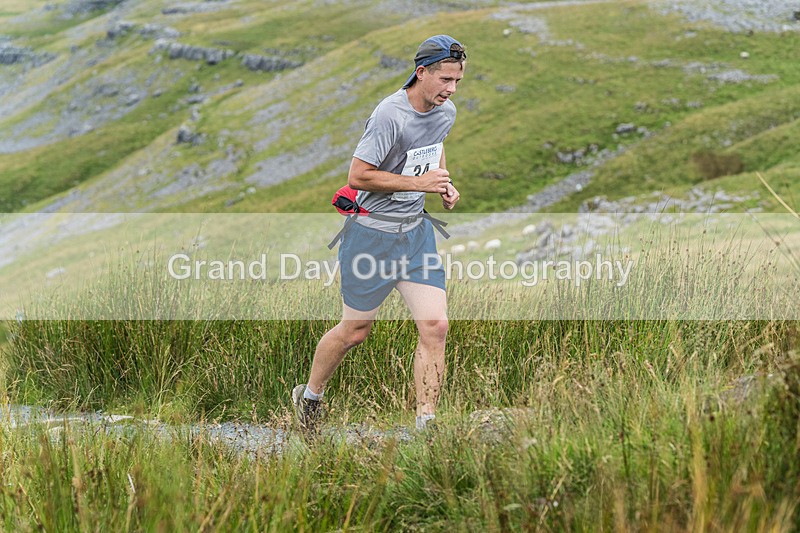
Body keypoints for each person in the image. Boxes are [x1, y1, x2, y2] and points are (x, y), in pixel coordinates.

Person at [293, 35, 466, 435]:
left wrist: (443, 182)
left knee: (436, 326)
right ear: (421, 73)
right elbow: (359, 176)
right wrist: (417, 184)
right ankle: (310, 397)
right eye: (445, 79)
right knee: (356, 331)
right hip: (371, 236)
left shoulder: (446, 111)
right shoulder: (389, 115)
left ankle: (426, 426)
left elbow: (434, 145)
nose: (452, 89)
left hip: (416, 235)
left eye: (457, 81)